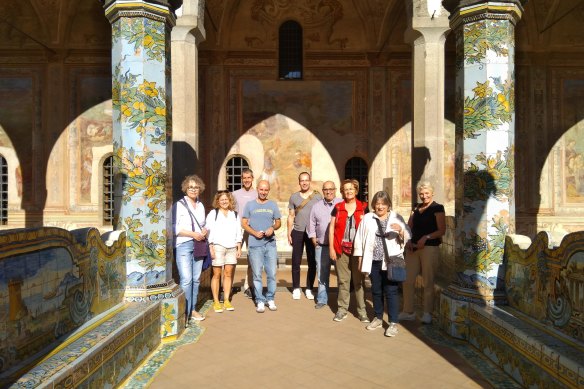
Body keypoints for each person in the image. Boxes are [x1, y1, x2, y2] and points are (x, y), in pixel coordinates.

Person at [354, 191, 411, 337]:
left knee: (391, 291)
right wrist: (360, 259)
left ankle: (393, 323)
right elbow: (359, 238)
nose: (380, 207)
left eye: (383, 204)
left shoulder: (396, 217)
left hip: (390, 261)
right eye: (377, 203)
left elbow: (409, 235)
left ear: (388, 205)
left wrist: (401, 231)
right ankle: (378, 317)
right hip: (373, 260)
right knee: (376, 290)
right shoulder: (367, 218)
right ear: (373, 204)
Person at [400, 181, 446, 324]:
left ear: (432, 193)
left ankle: (427, 313)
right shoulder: (416, 207)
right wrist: (407, 239)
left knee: (428, 281)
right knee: (407, 280)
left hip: (429, 248)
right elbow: (409, 226)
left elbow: (441, 230)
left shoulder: (437, 208)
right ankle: (408, 311)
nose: (424, 196)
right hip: (413, 248)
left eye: (427, 193)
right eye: (421, 193)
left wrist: (426, 238)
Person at [328, 179, 369, 323]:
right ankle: (342, 309)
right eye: (346, 189)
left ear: (356, 190)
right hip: (341, 249)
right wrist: (332, 248)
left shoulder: (364, 207)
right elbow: (332, 228)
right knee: (343, 281)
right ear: (342, 192)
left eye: (351, 189)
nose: (349, 191)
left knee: (359, 282)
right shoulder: (338, 207)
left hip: (358, 251)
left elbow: (369, 229)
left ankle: (362, 311)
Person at [242, 180, 282, 313]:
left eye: (266, 190)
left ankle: (270, 298)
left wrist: (272, 227)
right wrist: (254, 233)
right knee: (257, 275)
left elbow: (278, 222)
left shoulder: (273, 205)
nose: (263, 192)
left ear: (268, 190)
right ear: (257, 189)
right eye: (261, 189)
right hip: (255, 245)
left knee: (271, 274)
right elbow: (244, 223)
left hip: (270, 244)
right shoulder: (250, 205)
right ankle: (259, 300)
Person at [174, 174, 208, 323]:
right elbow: (175, 228)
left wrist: (204, 231)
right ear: (185, 188)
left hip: (198, 244)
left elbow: (203, 224)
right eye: (190, 187)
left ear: (200, 189)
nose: (193, 189)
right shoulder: (179, 205)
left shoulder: (200, 205)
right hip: (184, 244)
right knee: (186, 279)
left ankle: (192, 310)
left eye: (196, 187)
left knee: (196, 279)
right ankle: (184, 313)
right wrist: (192, 234)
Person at [287, 172, 322, 300]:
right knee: (296, 261)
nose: (304, 182)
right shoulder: (294, 197)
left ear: (310, 181)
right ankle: (296, 287)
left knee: (312, 261)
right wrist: (288, 232)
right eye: (302, 180)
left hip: (312, 233)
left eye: (306, 180)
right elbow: (291, 216)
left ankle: (309, 288)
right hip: (297, 231)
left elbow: (321, 215)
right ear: (299, 182)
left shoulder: (318, 197)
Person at [206, 190, 242, 313]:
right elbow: (208, 230)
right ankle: (216, 301)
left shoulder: (235, 214)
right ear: (218, 201)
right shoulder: (213, 213)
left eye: (226, 199)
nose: (224, 201)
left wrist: (239, 246)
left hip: (231, 247)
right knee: (217, 274)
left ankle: (226, 299)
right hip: (218, 246)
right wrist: (210, 246)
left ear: (230, 200)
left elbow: (239, 231)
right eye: (222, 200)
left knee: (228, 274)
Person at [307, 181, 341, 309]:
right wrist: (313, 238)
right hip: (322, 246)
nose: (328, 192)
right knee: (322, 274)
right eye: (326, 189)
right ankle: (322, 299)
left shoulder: (341, 203)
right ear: (322, 191)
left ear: (335, 190)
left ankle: (341, 301)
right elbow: (311, 224)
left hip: (338, 247)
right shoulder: (316, 206)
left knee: (341, 275)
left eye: (331, 189)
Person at [232, 168, 257, 299]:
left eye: (249, 178)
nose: (247, 180)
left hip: (252, 230)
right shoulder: (235, 194)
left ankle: (248, 285)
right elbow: (231, 213)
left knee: (251, 258)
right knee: (232, 257)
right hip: (238, 229)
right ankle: (228, 285)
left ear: (252, 178)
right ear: (241, 179)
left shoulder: (257, 194)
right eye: (244, 178)